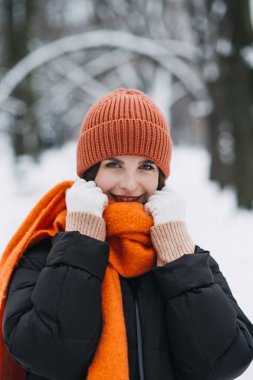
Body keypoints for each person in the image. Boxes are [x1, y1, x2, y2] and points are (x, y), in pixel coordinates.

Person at [0, 88, 253, 380]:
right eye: (114, 165)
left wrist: (177, 255)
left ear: (160, 177)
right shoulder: (44, 255)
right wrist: (81, 241)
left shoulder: (190, 260)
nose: (130, 185)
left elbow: (225, 361)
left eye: (145, 166)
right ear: (90, 174)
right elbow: (47, 356)